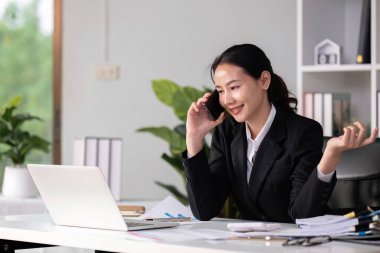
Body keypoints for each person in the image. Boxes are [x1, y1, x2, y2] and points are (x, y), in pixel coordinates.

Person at [182, 44, 378, 223]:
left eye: (234, 87)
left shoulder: (303, 132)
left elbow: (302, 216)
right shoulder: (227, 133)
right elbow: (205, 210)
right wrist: (193, 139)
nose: (227, 100)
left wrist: (330, 156)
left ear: (264, 81)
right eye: (221, 91)